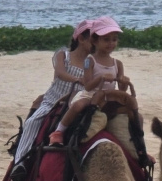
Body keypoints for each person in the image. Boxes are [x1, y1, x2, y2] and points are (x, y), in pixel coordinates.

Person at [12, 21, 94, 171]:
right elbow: (60, 73)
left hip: (77, 101)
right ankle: (20, 162)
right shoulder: (63, 54)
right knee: (32, 122)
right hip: (54, 100)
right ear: (81, 39)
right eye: (93, 39)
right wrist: (77, 79)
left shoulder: (91, 62)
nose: (96, 44)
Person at [52, 16, 133, 145]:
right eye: (106, 40)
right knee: (78, 105)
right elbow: (88, 86)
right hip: (91, 95)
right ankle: (59, 131)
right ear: (95, 41)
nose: (111, 43)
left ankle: (137, 144)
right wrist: (100, 78)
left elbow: (121, 89)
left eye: (114, 39)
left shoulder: (118, 63)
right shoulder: (89, 61)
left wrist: (123, 82)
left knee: (132, 113)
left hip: (109, 97)